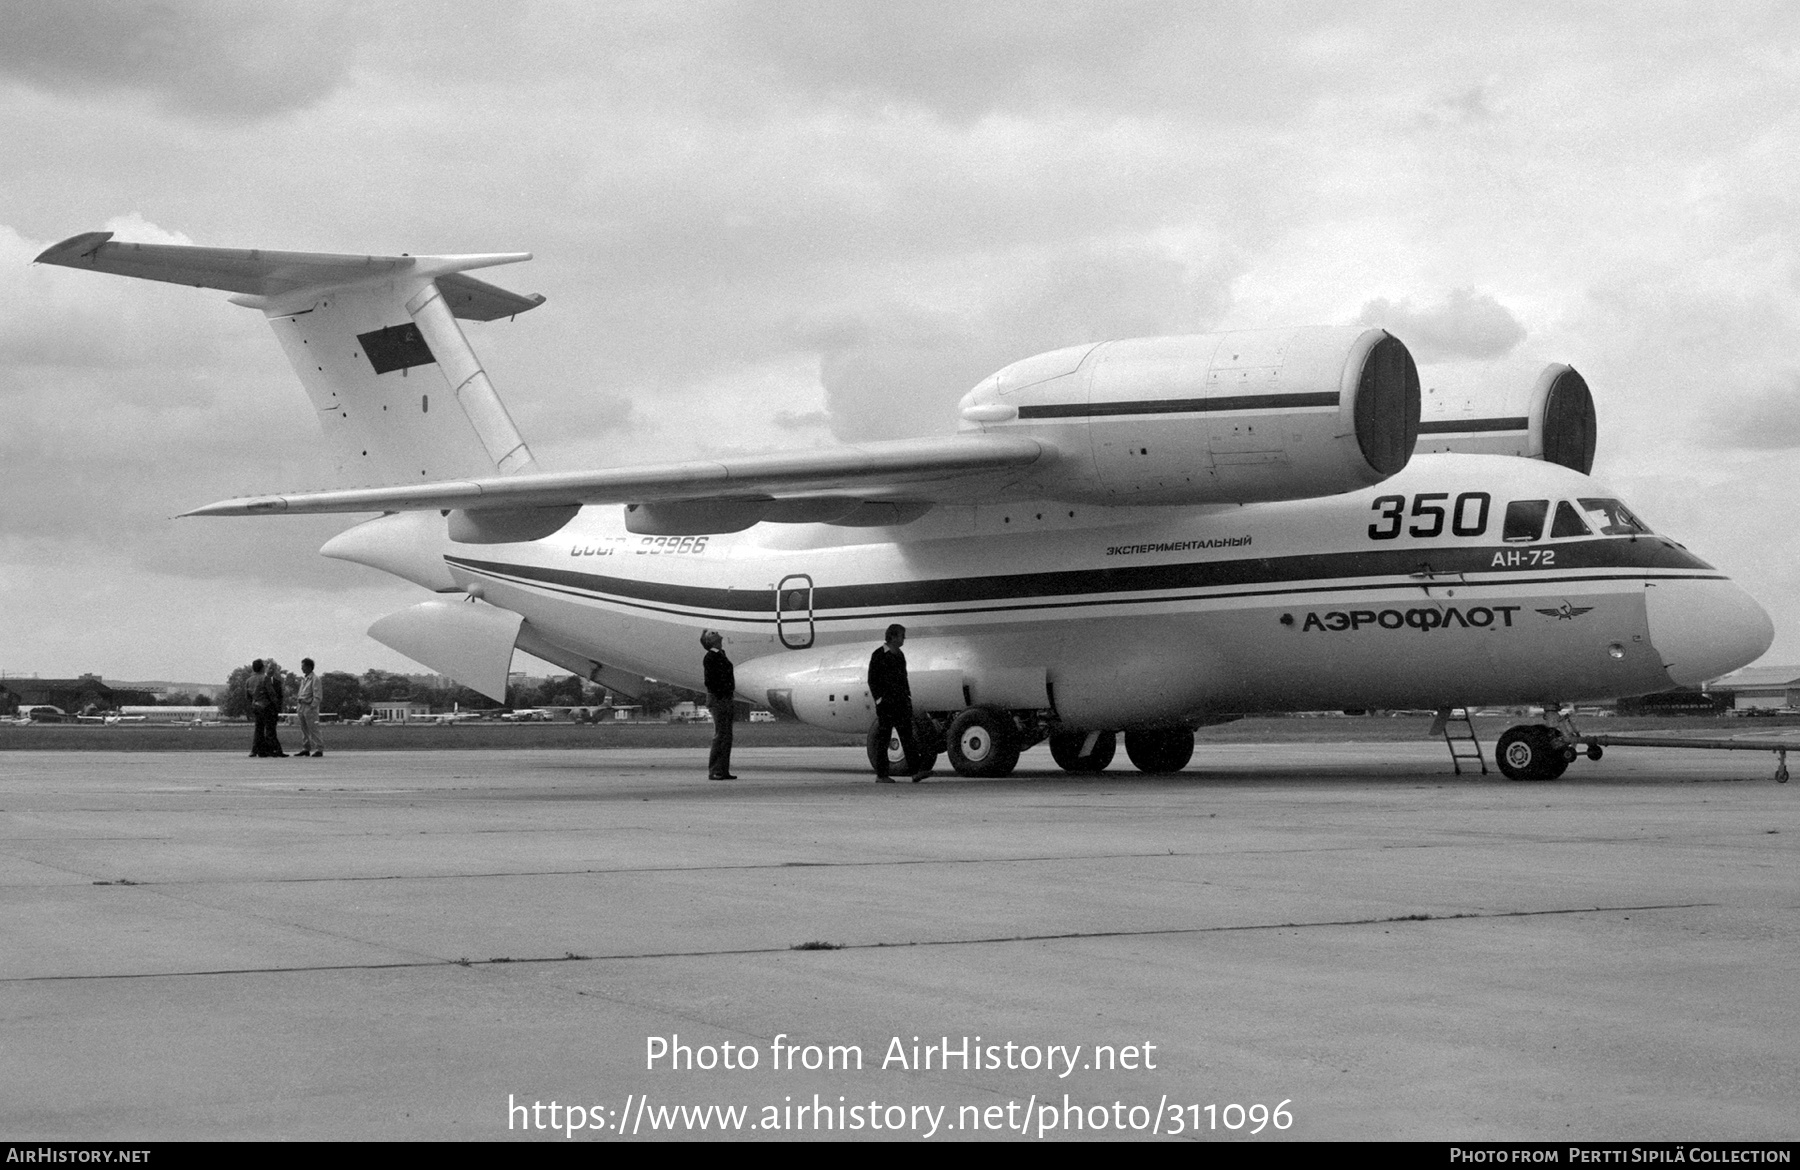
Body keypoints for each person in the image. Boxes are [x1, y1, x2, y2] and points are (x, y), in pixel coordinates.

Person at [868, 623, 931, 783]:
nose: (904, 639)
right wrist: (879, 699)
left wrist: (908, 697)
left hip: (901, 702)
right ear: (893, 636)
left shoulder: (899, 655)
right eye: (902, 635)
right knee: (884, 738)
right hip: (887, 704)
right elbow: (872, 679)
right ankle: (882, 775)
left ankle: (916, 771)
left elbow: (904, 678)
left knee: (907, 737)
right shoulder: (879, 655)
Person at [701, 630, 736, 780]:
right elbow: (710, 681)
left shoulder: (720, 654)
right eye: (713, 634)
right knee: (721, 734)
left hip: (725, 698)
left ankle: (723, 770)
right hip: (719, 699)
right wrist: (722, 693)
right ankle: (715, 770)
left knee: (726, 735)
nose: (718, 634)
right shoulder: (711, 657)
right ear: (710, 641)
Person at [259, 659, 288, 758]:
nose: (271, 670)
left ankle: (270, 750)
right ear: (266, 668)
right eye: (270, 668)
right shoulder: (262, 680)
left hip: (274, 710)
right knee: (269, 731)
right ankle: (275, 750)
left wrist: (279, 708)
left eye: (273, 669)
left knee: (271, 730)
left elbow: (280, 696)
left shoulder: (277, 682)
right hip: (265, 709)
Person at [296, 658, 324, 758]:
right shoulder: (304, 679)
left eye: (303, 666)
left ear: (309, 667)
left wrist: (312, 706)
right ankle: (306, 748)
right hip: (301, 707)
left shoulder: (315, 679)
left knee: (314, 729)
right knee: (304, 729)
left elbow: (317, 696)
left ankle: (319, 749)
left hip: (309, 708)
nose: (301, 668)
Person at [246, 660, 270, 757]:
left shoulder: (249, 680)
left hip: (255, 705)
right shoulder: (265, 678)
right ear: (262, 668)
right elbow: (270, 692)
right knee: (265, 729)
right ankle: (261, 750)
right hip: (265, 705)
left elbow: (247, 696)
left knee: (258, 727)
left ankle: (255, 749)